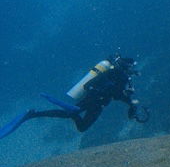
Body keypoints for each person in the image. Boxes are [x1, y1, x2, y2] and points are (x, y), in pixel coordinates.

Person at [0, 54, 148, 139]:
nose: (133, 70)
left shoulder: (116, 75)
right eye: (131, 67)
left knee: (82, 126)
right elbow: (106, 91)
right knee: (68, 115)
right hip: (94, 100)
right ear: (126, 67)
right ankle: (32, 114)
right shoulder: (119, 75)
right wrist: (126, 98)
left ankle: (65, 113)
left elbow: (114, 93)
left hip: (99, 103)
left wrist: (128, 101)